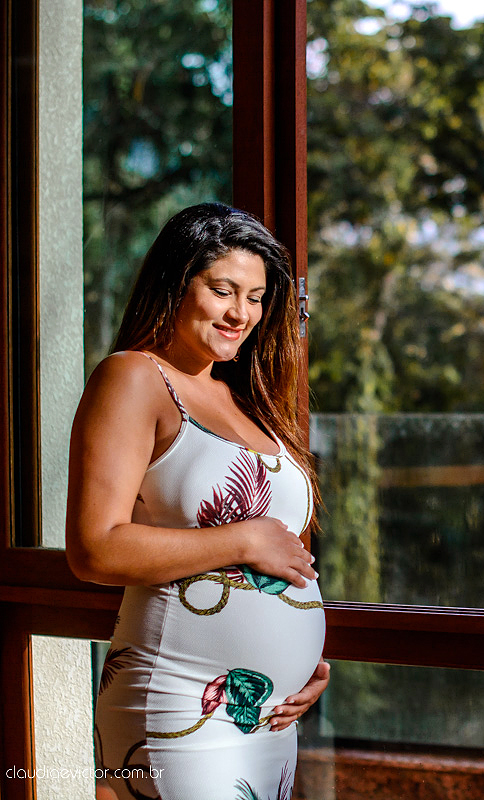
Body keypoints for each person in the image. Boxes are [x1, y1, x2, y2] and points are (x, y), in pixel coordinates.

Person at [67, 203, 330, 800]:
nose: (242, 314)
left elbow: (285, 551)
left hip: (266, 713)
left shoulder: (246, 398)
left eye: (258, 298)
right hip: (178, 704)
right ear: (176, 281)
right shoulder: (134, 378)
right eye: (223, 290)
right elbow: (95, 547)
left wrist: (302, 664)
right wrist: (242, 538)